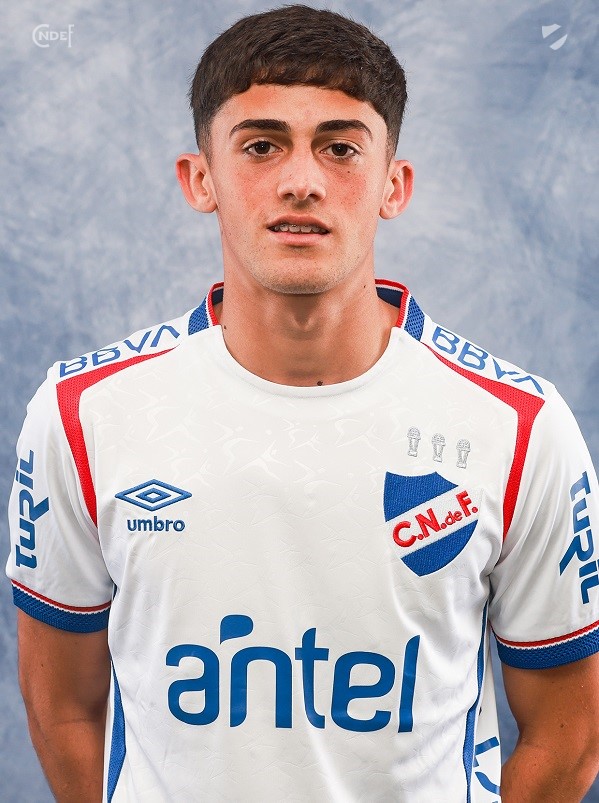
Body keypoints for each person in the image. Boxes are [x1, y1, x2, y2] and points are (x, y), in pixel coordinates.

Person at [7, 5, 599, 801]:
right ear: (199, 178)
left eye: (340, 147)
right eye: (261, 145)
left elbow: (568, 730)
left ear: (393, 185)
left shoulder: (519, 428)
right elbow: (62, 706)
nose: (301, 180)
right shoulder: (83, 414)